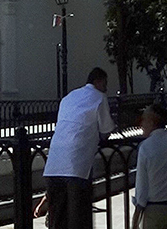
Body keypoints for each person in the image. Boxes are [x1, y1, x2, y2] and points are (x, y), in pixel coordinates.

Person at [43, 68, 114, 229]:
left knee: (58, 220)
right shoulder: (99, 97)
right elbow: (106, 129)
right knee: (79, 219)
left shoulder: (68, 97)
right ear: (99, 81)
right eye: (105, 84)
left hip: (54, 164)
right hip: (77, 166)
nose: (106, 88)